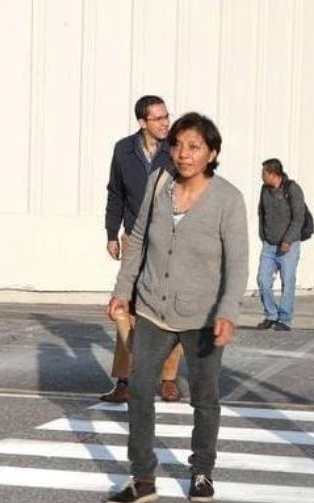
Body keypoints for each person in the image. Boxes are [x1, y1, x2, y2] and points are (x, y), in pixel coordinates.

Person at [104, 112, 249, 503]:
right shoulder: (158, 184)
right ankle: (143, 477)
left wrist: (228, 312)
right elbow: (136, 241)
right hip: (152, 308)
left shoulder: (228, 199)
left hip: (203, 316)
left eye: (194, 147)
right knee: (138, 389)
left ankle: (202, 470)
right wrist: (122, 290)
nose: (183, 154)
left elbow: (237, 264)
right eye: (178, 144)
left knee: (204, 397)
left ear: (211, 153)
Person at [101, 95, 184, 404]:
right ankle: (125, 379)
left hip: (169, 239)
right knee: (126, 308)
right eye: (159, 118)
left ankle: (168, 378)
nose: (166, 122)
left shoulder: (177, 149)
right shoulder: (123, 149)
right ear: (142, 122)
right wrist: (112, 233)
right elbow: (115, 192)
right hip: (134, 237)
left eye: (166, 116)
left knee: (169, 307)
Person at [255, 158, 306, 331]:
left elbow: (299, 217)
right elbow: (261, 212)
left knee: (288, 281)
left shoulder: (292, 189)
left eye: (264, 173)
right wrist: (263, 235)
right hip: (269, 245)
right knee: (262, 280)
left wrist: (288, 239)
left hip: (288, 246)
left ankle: (284, 319)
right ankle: (270, 315)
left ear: (273, 174)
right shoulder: (264, 189)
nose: (261, 176)